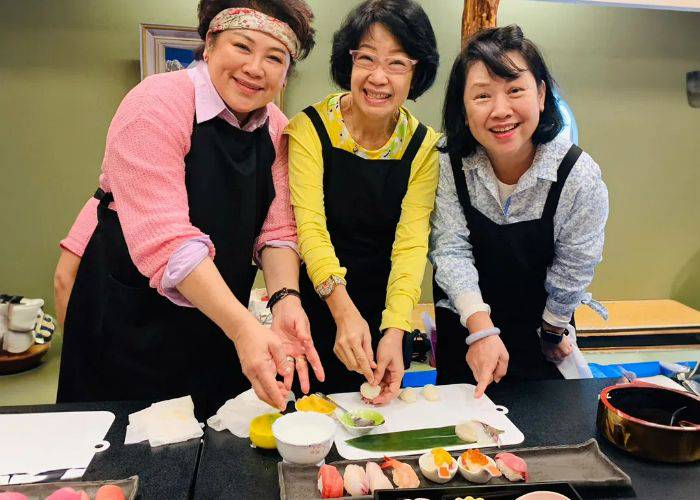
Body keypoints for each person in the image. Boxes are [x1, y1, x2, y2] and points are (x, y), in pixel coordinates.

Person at [55, 0, 323, 418]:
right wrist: (243, 327)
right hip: (129, 325)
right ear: (210, 44)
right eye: (242, 46)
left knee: (217, 449)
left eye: (275, 57)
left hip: (217, 324)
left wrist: (286, 300)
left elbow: (277, 230)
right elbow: (170, 242)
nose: (256, 68)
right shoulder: (156, 103)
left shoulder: (274, 126)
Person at [430, 25, 608, 398]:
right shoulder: (448, 162)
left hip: (541, 333)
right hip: (466, 329)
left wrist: (553, 330)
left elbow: (576, 264)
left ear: (541, 95)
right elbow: (450, 249)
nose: (500, 110)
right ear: (462, 107)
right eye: (482, 96)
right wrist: (480, 330)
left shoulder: (577, 174)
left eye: (515, 90)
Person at [285, 0, 440, 404]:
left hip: (388, 311)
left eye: (397, 64)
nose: (378, 77)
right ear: (347, 63)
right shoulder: (309, 130)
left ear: (416, 72)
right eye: (366, 58)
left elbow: (410, 246)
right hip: (320, 309)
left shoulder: (424, 146)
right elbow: (310, 229)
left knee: (379, 435)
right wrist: (341, 310)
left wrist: (395, 328)